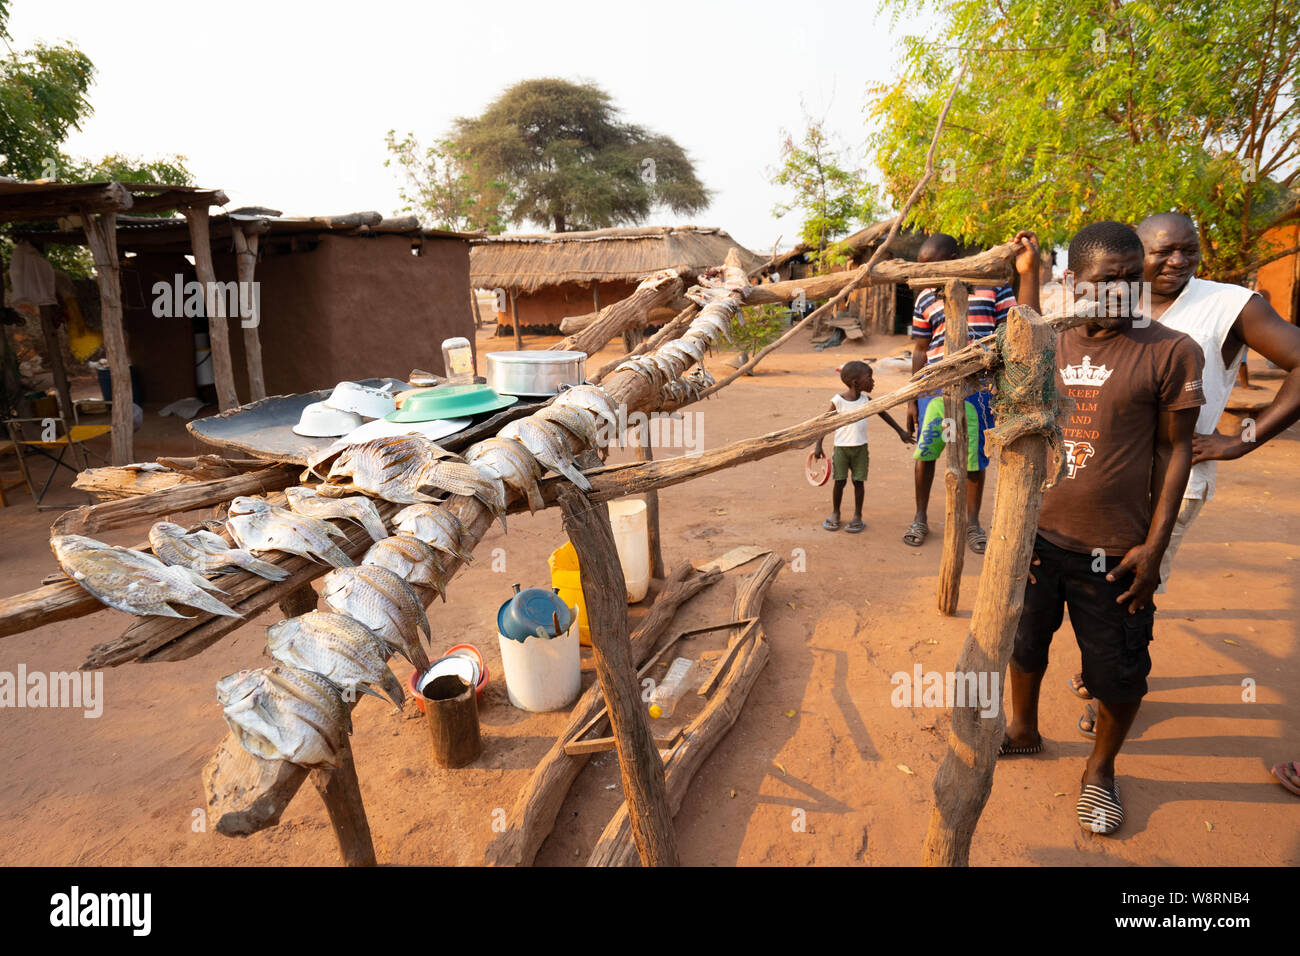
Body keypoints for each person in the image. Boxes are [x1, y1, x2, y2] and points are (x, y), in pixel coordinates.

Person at [999, 221, 1205, 836]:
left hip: (1116, 551)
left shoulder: (1172, 350)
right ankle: (1022, 729)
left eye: (1127, 281)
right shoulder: (1047, 339)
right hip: (1036, 537)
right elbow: (1023, 332)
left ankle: (1100, 771)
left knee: (1116, 674)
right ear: (1074, 281)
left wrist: (1155, 546)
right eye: (1101, 284)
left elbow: (1175, 452)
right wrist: (1027, 278)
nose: (1116, 295)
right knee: (1025, 644)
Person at [1069, 211, 1300, 716]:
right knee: (1086, 586)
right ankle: (1101, 666)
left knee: (1130, 584)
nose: (1178, 261)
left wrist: (1243, 438)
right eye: (1163, 251)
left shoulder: (1230, 305)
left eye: (1189, 249)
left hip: (1172, 477)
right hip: (1098, 477)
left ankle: (1110, 687)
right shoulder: (1103, 299)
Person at [903, 231, 1041, 552]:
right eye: (922, 267)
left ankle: (973, 523)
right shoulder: (925, 296)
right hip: (935, 389)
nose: (926, 272)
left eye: (932, 264)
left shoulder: (993, 287)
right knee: (926, 452)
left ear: (954, 259)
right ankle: (920, 517)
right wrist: (913, 398)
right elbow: (920, 350)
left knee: (974, 458)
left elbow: (1018, 329)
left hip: (979, 389)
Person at [814, 360, 912, 532]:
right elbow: (824, 423)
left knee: (858, 482)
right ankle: (836, 512)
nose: (873, 381)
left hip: (860, 449)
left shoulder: (866, 400)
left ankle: (857, 516)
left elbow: (884, 414)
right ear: (856, 383)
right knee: (840, 482)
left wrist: (901, 432)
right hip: (841, 449)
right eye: (870, 378)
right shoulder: (838, 401)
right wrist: (818, 445)